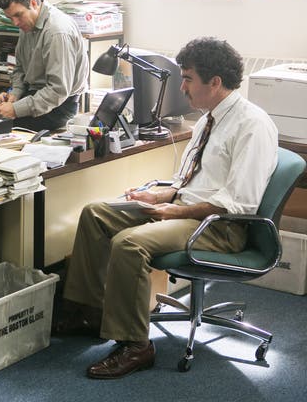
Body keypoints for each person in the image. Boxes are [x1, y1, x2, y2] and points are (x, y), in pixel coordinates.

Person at [54, 37, 278, 379]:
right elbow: (191, 178)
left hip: (221, 226)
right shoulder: (208, 118)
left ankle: (136, 345)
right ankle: (88, 312)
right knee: (96, 213)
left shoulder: (252, 125)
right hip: (187, 206)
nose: (182, 87)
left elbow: (238, 203)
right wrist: (164, 195)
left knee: (129, 243)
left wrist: (174, 212)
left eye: (188, 78)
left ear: (214, 82)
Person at [0, 0, 89, 131]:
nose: (15, 23)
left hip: (59, 105)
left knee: (0, 129)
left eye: (18, 15)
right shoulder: (27, 24)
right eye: (10, 18)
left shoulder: (57, 32)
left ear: (34, 3)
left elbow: (58, 91)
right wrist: (14, 95)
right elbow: (20, 69)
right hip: (36, 95)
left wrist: (16, 109)